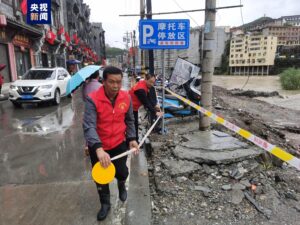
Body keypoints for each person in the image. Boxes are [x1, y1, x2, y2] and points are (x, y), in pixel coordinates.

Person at [83, 66, 139, 221]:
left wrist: (132, 138)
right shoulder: (92, 99)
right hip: (99, 147)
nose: (116, 86)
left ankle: (121, 184)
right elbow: (89, 126)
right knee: (101, 178)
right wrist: (98, 149)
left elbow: (129, 120)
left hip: (118, 144)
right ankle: (105, 204)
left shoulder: (125, 97)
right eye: (112, 82)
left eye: (119, 82)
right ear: (103, 81)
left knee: (122, 172)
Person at [129, 73, 163, 141]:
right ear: (146, 80)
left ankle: (135, 141)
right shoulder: (140, 89)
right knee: (133, 125)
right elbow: (146, 103)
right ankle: (134, 143)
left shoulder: (144, 84)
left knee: (134, 124)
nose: (152, 84)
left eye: (153, 82)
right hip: (129, 107)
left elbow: (148, 97)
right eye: (150, 82)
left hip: (134, 107)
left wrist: (154, 105)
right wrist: (155, 112)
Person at [82, 70, 102, 156]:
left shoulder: (85, 85)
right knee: (97, 127)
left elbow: (83, 98)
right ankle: (98, 145)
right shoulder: (100, 86)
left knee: (89, 127)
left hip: (88, 109)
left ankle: (88, 145)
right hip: (98, 109)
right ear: (97, 76)